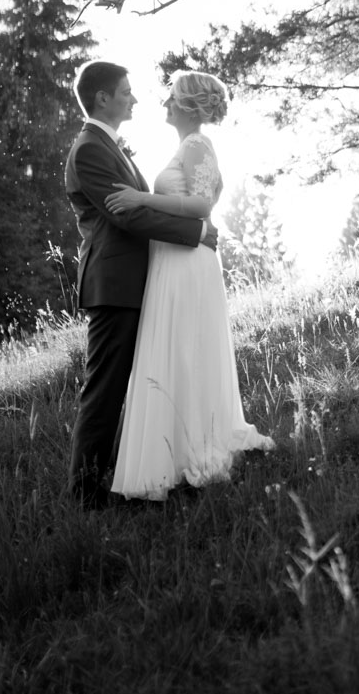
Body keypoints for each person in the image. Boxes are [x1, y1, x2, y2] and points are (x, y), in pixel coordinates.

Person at [105, 68, 274, 501]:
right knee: (177, 350)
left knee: (186, 350)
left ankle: (194, 448)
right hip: (172, 262)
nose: (162, 104)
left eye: (170, 98)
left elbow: (200, 205)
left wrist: (141, 198)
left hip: (188, 262)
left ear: (186, 105)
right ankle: (176, 452)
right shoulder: (184, 147)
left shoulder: (198, 144)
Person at [64, 60, 218, 511]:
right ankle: (86, 496)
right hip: (114, 285)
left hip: (137, 282)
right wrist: (197, 233)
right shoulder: (90, 148)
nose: (134, 98)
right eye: (126, 91)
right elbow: (126, 213)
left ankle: (129, 476)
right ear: (102, 99)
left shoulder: (109, 145)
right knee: (105, 390)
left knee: (134, 387)